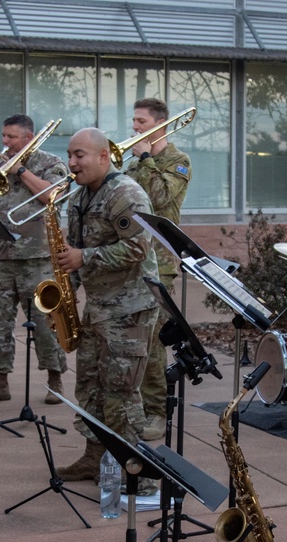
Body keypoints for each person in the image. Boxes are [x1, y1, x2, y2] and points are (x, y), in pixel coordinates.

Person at [54, 128, 158, 481]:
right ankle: (95, 457)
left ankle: (134, 474)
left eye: (79, 155)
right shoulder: (79, 197)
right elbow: (73, 252)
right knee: (90, 388)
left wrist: (85, 257)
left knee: (121, 395)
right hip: (98, 307)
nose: (72, 162)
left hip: (129, 310)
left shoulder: (127, 194)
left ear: (103, 156)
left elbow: (138, 248)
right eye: (69, 154)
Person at [0, 114, 69, 404]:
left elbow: (53, 195)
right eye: (3, 136)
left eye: (11, 137)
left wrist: (22, 170)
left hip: (37, 257)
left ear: (28, 138)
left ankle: (55, 378)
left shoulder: (51, 164)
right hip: (1, 256)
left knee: (45, 321)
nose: (5, 142)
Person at [122, 98, 192, 440]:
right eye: (134, 120)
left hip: (159, 263)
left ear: (161, 125)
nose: (135, 126)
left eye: (141, 121)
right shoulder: (134, 163)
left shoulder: (177, 161)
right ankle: (132, 405)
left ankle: (157, 413)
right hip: (129, 258)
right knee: (127, 339)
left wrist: (146, 159)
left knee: (151, 343)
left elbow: (162, 199)